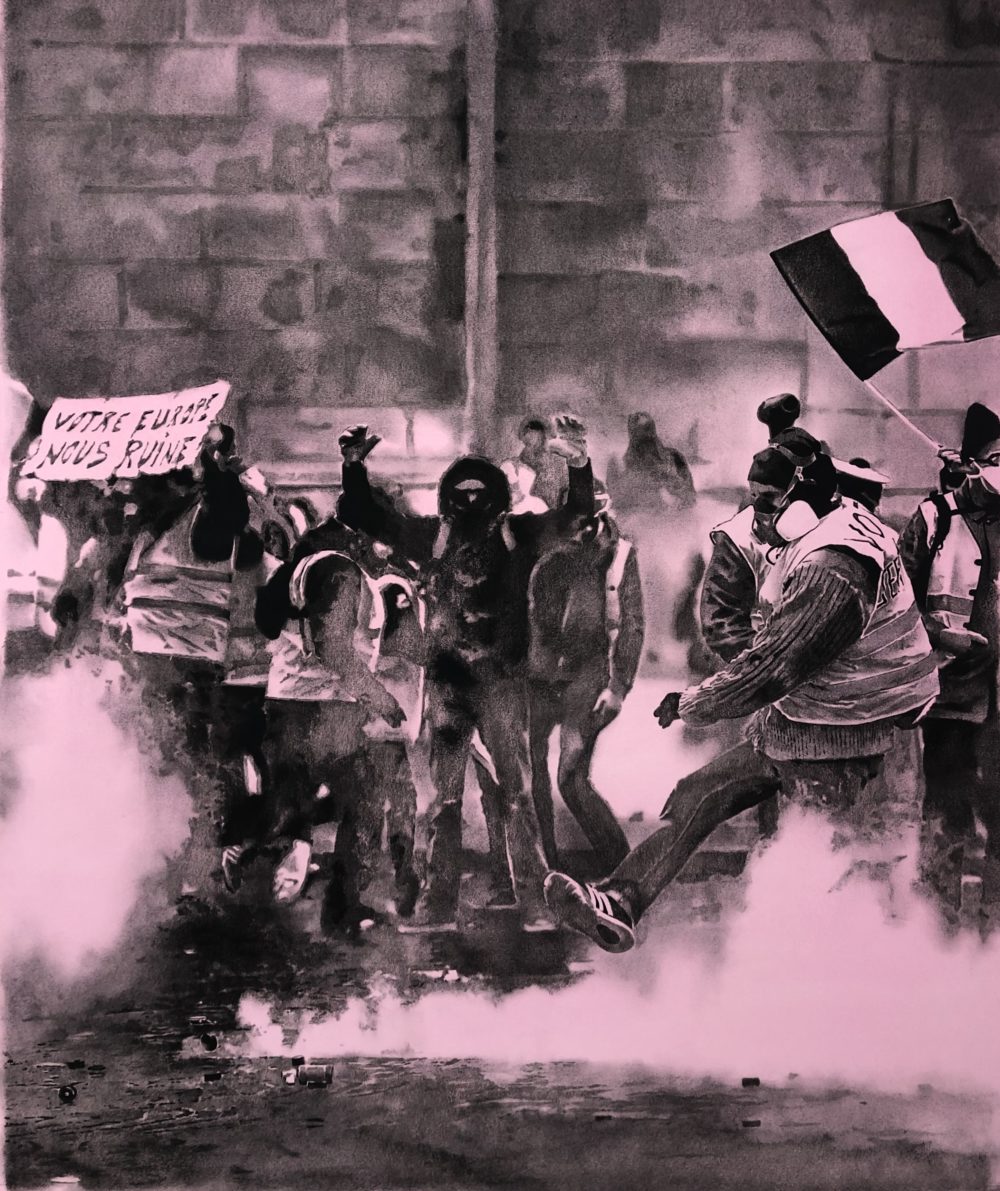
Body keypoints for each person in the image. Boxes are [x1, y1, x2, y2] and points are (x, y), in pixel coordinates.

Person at [544, 438, 939, 953]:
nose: (759, 514)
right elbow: (742, 624)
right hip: (802, 722)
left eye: (770, 501)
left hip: (847, 736)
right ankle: (621, 901)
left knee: (822, 852)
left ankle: (844, 970)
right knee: (698, 794)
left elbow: (775, 666)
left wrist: (695, 703)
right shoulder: (818, 533)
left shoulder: (838, 566)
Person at [336, 417, 596, 926]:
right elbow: (367, 516)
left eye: (481, 492)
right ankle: (444, 900)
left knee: (511, 794)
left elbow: (575, 516)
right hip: (453, 685)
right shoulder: (436, 535)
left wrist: (580, 464)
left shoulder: (514, 533)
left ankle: (526, 896)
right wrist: (352, 469)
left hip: (497, 683)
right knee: (448, 800)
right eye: (466, 492)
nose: (473, 501)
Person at [899, 402, 1000, 911]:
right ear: (974, 461)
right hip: (953, 693)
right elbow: (891, 602)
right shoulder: (935, 517)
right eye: (999, 456)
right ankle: (934, 924)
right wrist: (938, 634)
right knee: (946, 806)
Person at [524, 505, 644, 872]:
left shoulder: (619, 555)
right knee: (532, 777)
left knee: (571, 779)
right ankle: (546, 868)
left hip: (587, 674)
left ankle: (623, 867)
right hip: (538, 673)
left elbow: (632, 626)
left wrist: (618, 686)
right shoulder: (542, 544)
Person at [606, 411, 696, 512]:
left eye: (647, 429)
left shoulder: (674, 457)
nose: (644, 436)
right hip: (639, 520)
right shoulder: (623, 465)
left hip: (671, 519)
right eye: (638, 431)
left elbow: (689, 498)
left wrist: (668, 484)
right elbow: (618, 501)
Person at [501, 416, 569, 513]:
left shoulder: (559, 464)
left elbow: (569, 493)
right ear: (523, 438)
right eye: (529, 440)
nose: (537, 444)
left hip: (552, 521)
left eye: (541, 439)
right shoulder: (511, 466)